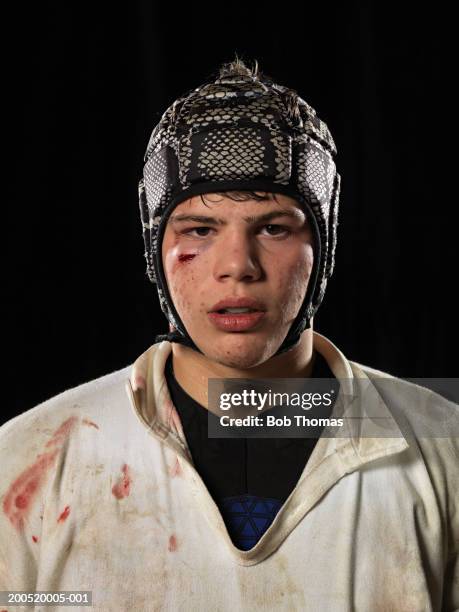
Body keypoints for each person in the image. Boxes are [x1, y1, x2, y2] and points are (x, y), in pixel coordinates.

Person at [0, 56, 457, 611]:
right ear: (155, 250)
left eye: (273, 227)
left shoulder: (446, 449)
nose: (237, 265)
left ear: (324, 247)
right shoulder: (25, 463)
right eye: (200, 228)